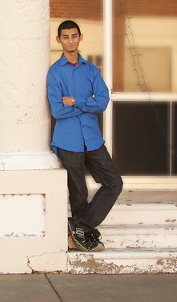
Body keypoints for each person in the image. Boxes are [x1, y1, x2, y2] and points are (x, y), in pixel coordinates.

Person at [47, 20, 123, 252]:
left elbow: (102, 102)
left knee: (113, 183)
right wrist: (87, 103)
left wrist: (76, 101)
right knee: (78, 191)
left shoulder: (91, 70)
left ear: (81, 37)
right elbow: (57, 110)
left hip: (92, 138)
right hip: (68, 140)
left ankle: (79, 224)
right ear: (59, 40)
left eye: (74, 36)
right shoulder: (54, 72)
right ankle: (83, 237)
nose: (70, 40)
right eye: (65, 37)